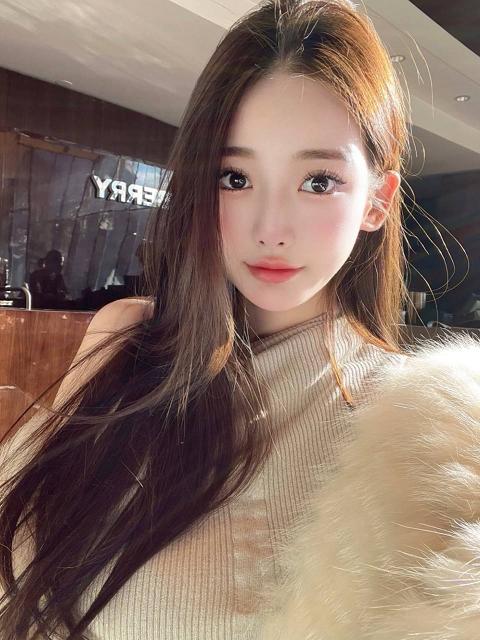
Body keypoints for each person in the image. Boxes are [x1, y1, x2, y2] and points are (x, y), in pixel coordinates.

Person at [0, 1, 478, 638]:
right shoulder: (128, 339)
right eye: (234, 176)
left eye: (318, 181)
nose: (269, 228)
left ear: (377, 201)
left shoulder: (426, 428)